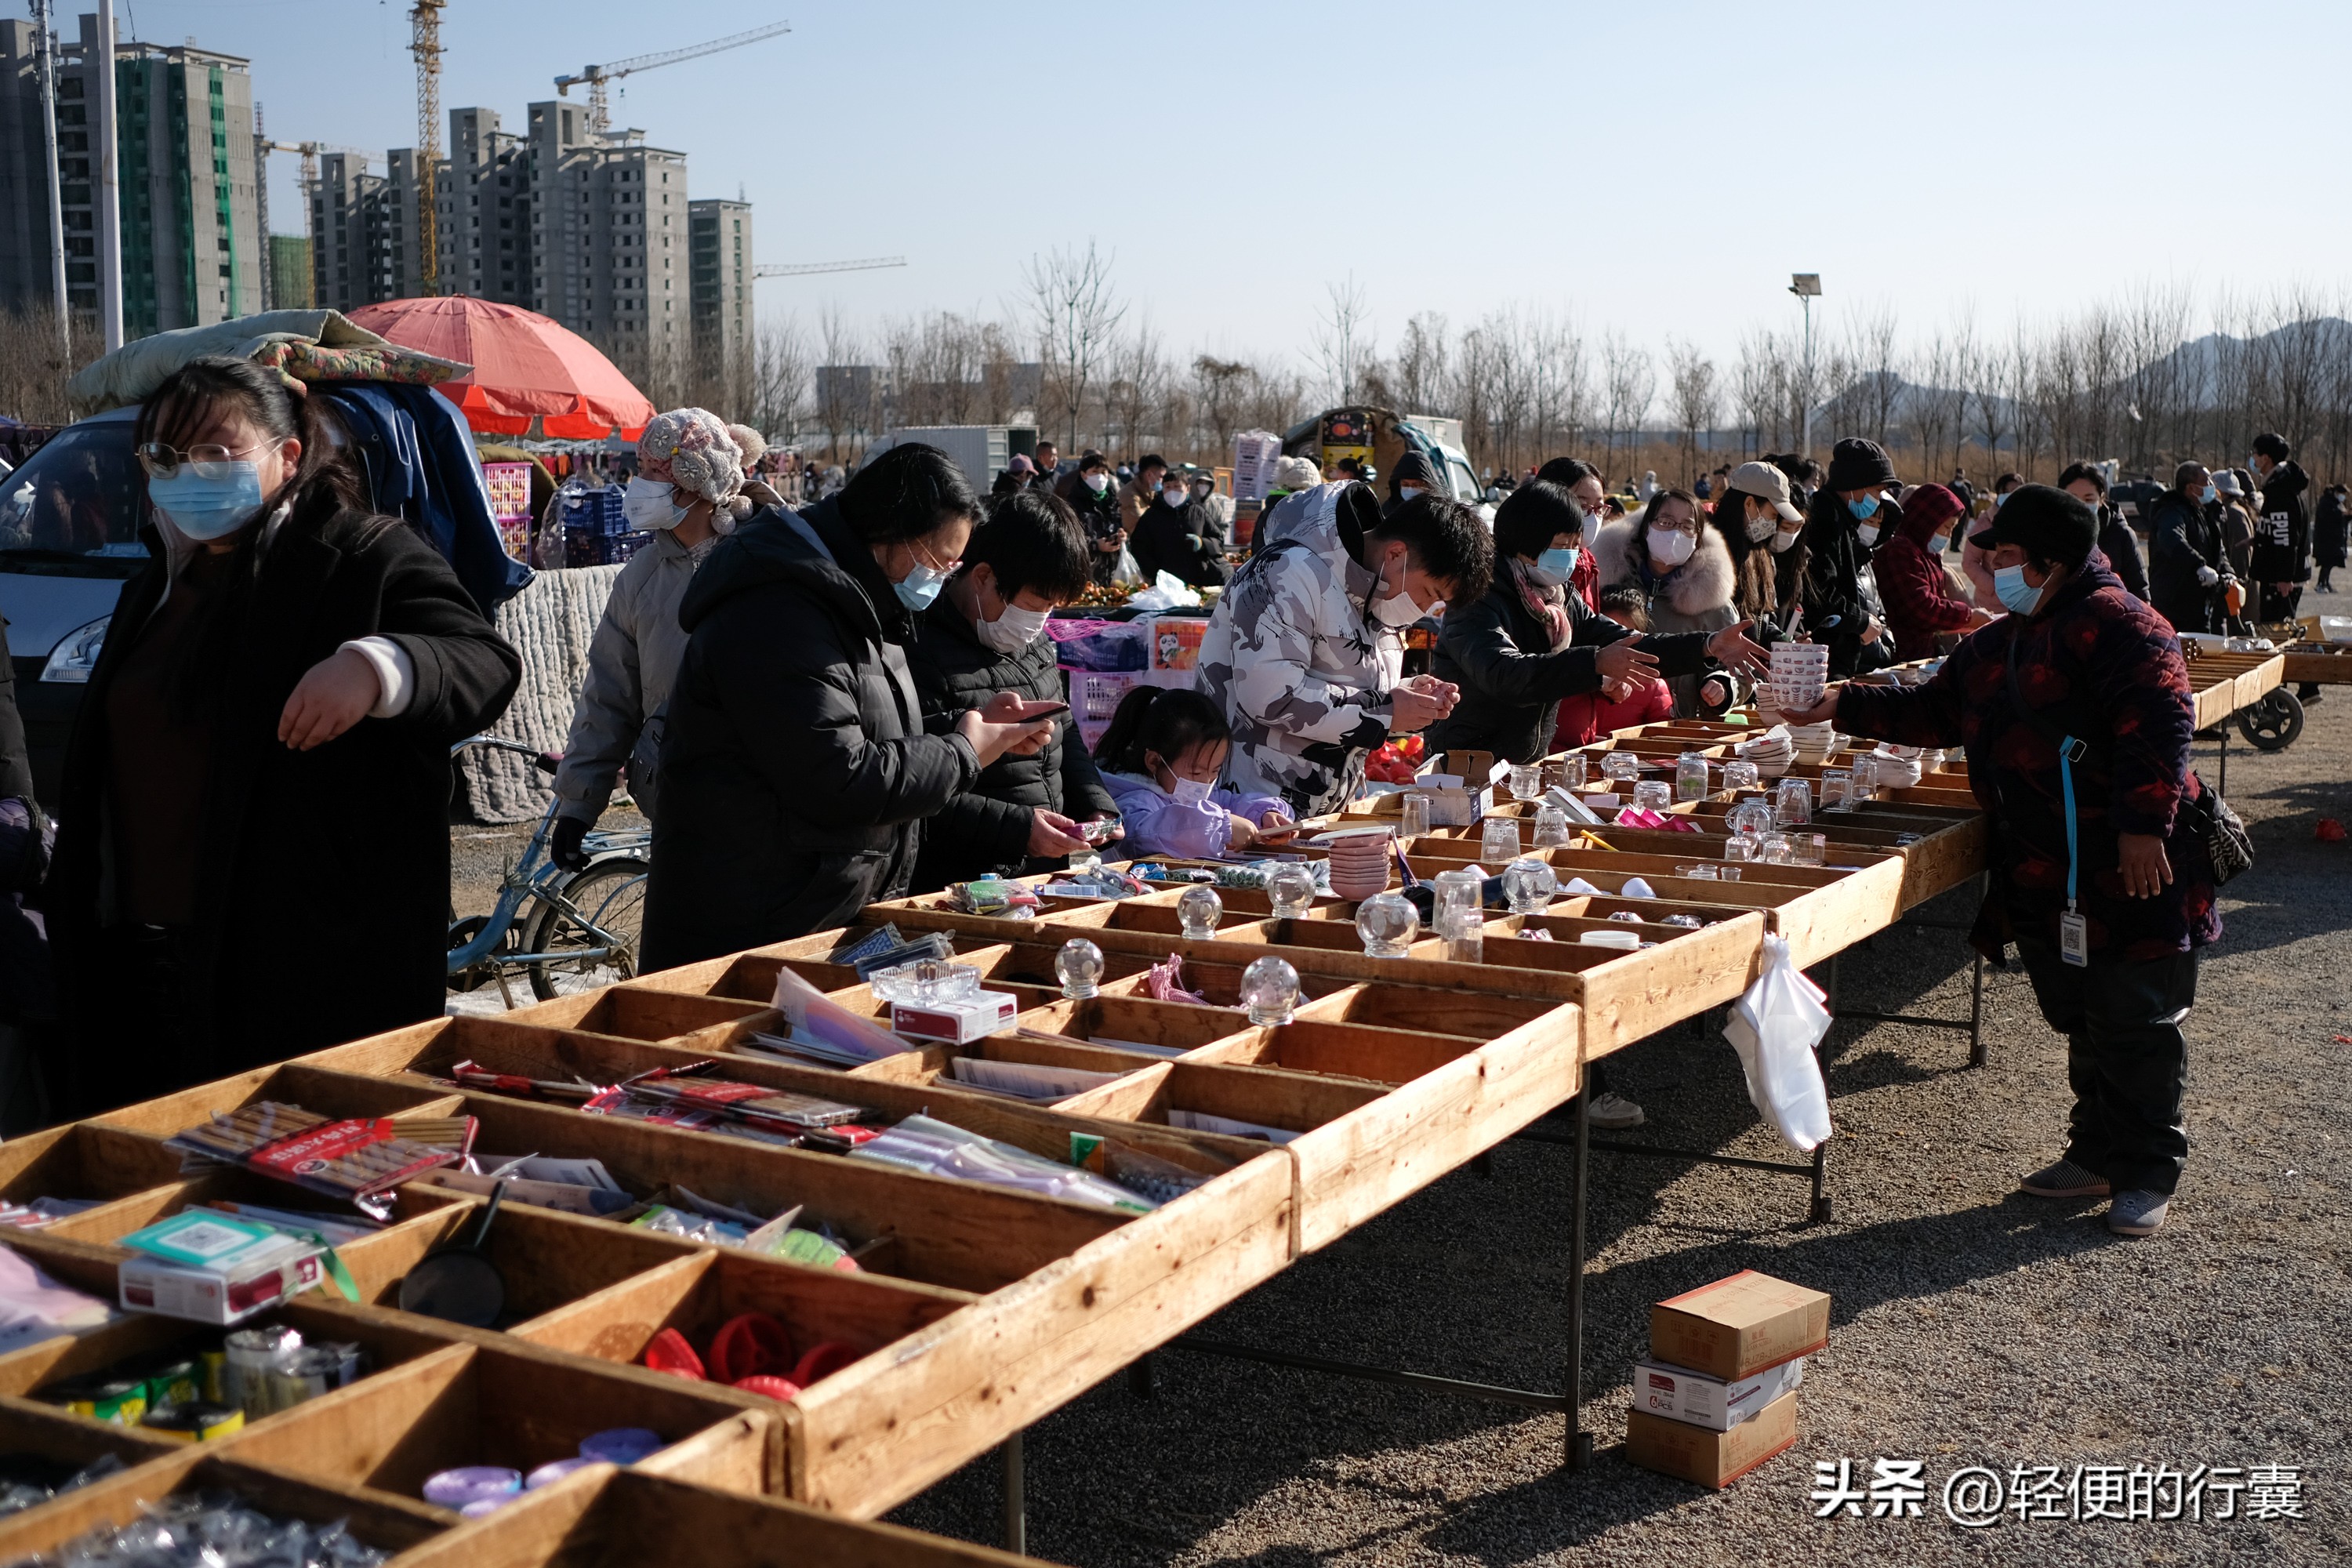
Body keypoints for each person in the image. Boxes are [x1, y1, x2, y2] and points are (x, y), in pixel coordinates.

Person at [45, 357, 521, 1116]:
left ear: (288, 455)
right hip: (138, 954)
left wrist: (378, 665)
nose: (189, 473)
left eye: (216, 451)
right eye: (165, 455)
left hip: (290, 960)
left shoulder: (361, 556)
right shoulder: (157, 583)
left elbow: (482, 661)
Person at [1782, 486, 2216, 1237]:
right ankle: (2095, 1151)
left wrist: (2144, 828)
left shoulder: (2125, 626)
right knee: (2085, 1014)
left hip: (2131, 862)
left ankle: (2147, 1170)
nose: (1993, 569)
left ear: (2053, 561)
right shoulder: (2004, 639)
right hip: (2049, 865)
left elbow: (2162, 727)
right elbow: (1935, 709)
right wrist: (1843, 704)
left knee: (2136, 1016)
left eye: (2009, 556)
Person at [644, 443, 1058, 968]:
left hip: (814, 919)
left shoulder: (859, 601)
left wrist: (972, 727)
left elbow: (866, 736)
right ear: (893, 534)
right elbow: (838, 778)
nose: (940, 578)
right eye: (939, 562)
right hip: (752, 929)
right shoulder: (777, 611)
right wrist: (963, 751)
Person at [1196, 483, 1487, 816]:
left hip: (1318, 809)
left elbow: (1352, 690)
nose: (1425, 608)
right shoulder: (1287, 572)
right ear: (1396, 554)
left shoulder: (1380, 595)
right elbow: (1271, 695)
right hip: (1251, 804)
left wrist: (1410, 700)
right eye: (1430, 592)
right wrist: (1386, 711)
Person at [1427, 480, 1763, 760]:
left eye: (1575, 545)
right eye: (1562, 545)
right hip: (1466, 761)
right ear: (1527, 544)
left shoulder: (1558, 596)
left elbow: (1630, 643)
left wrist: (1707, 645)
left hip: (1524, 761)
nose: (1571, 555)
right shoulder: (1478, 596)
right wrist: (1594, 663)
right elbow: (1505, 674)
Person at [552, 410, 760, 860]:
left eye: (650, 470)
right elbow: (609, 693)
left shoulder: (765, 561)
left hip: (767, 806)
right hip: (678, 804)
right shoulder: (640, 578)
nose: (637, 483)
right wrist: (579, 804)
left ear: (692, 481)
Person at [907, 489, 1119, 891]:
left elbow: (1064, 730)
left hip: (1041, 874)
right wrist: (1019, 829)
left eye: (1052, 608)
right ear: (983, 577)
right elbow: (911, 784)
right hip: (963, 883)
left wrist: (1095, 805)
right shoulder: (918, 648)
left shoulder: (1032, 641)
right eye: (1036, 605)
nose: (1040, 621)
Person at [1094, 687, 1292, 858]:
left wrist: (1265, 815)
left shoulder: (1192, 790)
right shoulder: (1130, 802)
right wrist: (1221, 826)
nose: (1206, 782)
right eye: (1196, 773)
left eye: (1215, 771)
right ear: (1154, 762)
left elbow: (1230, 803)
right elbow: (1143, 835)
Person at [1596, 487, 1744, 713]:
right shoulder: (1605, 586)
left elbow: (1739, 670)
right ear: (1646, 527)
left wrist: (1723, 684)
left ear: (1698, 539)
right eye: (1666, 522)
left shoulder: (1713, 602)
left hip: (1677, 725)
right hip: (1607, 721)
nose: (1676, 533)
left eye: (1687, 527)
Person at [1798, 437, 1896, 677]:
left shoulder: (1840, 518)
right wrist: (1859, 621)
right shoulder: (1824, 520)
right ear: (1856, 483)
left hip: (1836, 658)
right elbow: (1819, 591)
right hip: (1823, 660)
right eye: (1877, 491)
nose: (1878, 499)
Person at [1875, 483, 1995, 660]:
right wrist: (1968, 616)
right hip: (1902, 653)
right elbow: (1922, 608)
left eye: (1953, 528)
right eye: (1946, 527)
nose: (1948, 535)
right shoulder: (1899, 551)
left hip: (1921, 652)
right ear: (1929, 521)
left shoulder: (1926, 554)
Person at [1552, 586, 1674, 747]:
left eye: (1623, 637)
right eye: (1607, 636)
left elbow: (1663, 741)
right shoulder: (1570, 672)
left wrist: (1616, 746)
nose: (1616, 647)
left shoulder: (1652, 685)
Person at [1712, 460, 1807, 637]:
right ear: (1749, 504)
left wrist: (1782, 640)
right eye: (1773, 515)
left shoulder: (1762, 556)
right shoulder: (1709, 553)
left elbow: (1764, 620)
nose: (1773, 525)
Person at [2147, 463, 2232, 636]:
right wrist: (2198, 565)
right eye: (2206, 481)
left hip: (2200, 604)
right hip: (2174, 603)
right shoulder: (2171, 512)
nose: (2211, 485)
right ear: (2191, 487)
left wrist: (2228, 572)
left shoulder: (2204, 512)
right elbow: (2171, 538)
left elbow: (2217, 549)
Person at [2057, 463, 2149, 604]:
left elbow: (2139, 591)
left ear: (2101, 499)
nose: (2081, 506)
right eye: (2073, 498)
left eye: (2089, 499)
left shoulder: (2120, 534)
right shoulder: (2049, 534)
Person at [2246, 432, 2311, 626]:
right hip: (2281, 574)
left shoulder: (2281, 491)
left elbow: (2286, 536)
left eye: (2255, 453)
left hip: (2279, 580)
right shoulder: (2285, 484)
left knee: (2275, 630)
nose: (2253, 458)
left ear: (2266, 458)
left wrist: (2284, 577)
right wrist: (2260, 538)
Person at [1131, 466, 1231, 588]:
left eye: (1177, 486)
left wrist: (1202, 543)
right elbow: (1138, 546)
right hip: (1164, 584)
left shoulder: (1198, 513)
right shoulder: (1152, 516)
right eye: (1168, 487)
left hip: (1196, 582)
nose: (1172, 491)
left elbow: (1218, 540)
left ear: (1187, 488)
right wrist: (1154, 572)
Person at [1532, 457, 1606, 608]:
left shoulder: (1587, 562)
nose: (1592, 516)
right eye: (1582, 505)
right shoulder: (1536, 565)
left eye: (1599, 507)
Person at [1058, 449, 1126, 586]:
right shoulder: (1073, 503)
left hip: (1112, 574)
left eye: (1103, 472)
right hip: (1085, 573)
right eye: (1095, 472)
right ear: (1084, 475)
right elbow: (1068, 539)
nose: (1100, 476)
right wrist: (1095, 545)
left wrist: (1122, 537)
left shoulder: (1112, 501)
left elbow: (1119, 527)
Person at [1962, 472, 2027, 601]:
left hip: (2024, 599)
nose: (2010, 495)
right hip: (1993, 602)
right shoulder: (1985, 523)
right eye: (2006, 492)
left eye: (2015, 491)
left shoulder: (2029, 521)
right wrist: (1993, 587)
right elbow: (1969, 562)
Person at [2212, 469, 2256, 586]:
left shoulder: (2233, 513)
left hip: (2235, 586)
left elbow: (2241, 551)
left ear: (2224, 493)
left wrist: (2237, 581)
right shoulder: (2224, 511)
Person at [1120, 453, 1167, 533]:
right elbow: (1139, 528)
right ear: (1149, 475)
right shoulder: (1129, 496)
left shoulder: (1151, 492)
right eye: (1161, 477)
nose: (1163, 481)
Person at [2315, 482, 2347, 593]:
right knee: (2326, 562)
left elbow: (2341, 520)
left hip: (2334, 539)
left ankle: (2326, 582)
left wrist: (2347, 516)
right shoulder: (2326, 502)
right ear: (2336, 492)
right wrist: (2341, 514)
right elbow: (2327, 517)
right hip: (2326, 539)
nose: (2343, 496)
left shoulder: (2337, 503)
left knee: (2331, 562)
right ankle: (2320, 584)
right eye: (2342, 493)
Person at [1385, 451, 1440, 515]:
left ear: (1428, 486)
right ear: (1399, 485)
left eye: (1416, 485)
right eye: (1405, 485)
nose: (1410, 489)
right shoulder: (1389, 511)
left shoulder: (1438, 512)